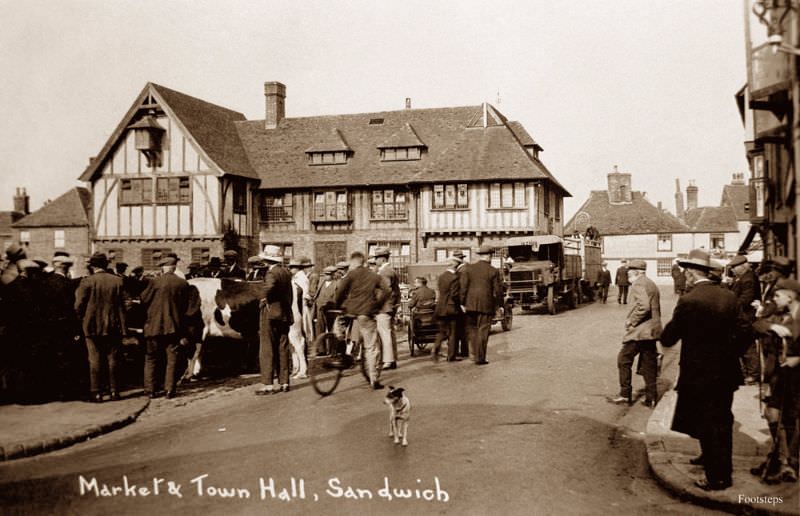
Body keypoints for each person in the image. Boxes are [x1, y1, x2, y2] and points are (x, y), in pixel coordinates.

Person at [660, 249, 744, 491]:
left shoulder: (689, 300)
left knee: (706, 422)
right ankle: (714, 463)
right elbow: (746, 330)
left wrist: (664, 336)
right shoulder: (728, 297)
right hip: (725, 372)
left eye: (686, 273)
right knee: (721, 420)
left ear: (690, 274)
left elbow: (670, 336)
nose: (685, 277)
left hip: (699, 374)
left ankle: (717, 478)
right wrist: (729, 353)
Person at [752, 278, 800, 483]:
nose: (774, 299)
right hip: (779, 376)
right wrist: (772, 328)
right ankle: (782, 459)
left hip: (797, 377)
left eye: (778, 296)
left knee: (793, 418)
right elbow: (757, 324)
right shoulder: (780, 314)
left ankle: (790, 462)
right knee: (773, 413)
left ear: (790, 297)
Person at [74, 252, 127, 402]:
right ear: (106, 265)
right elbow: (124, 305)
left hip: (91, 326)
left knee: (94, 360)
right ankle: (114, 391)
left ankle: (96, 392)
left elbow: (78, 306)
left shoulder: (87, 281)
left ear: (92, 266)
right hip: (113, 326)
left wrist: (82, 320)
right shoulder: (117, 281)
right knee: (113, 359)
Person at [334, 251, 390, 389]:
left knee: (339, 328)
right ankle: (373, 378)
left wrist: (338, 305)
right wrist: (377, 304)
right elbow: (387, 290)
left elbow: (340, 291)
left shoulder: (350, 275)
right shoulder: (374, 276)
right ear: (364, 261)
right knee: (371, 347)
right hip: (366, 312)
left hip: (350, 311)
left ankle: (342, 352)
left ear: (353, 262)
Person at [610, 260, 662, 407]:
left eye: (629, 273)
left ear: (636, 273)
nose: (628, 276)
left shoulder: (638, 284)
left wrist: (631, 321)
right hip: (651, 331)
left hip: (640, 332)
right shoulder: (650, 283)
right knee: (649, 364)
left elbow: (644, 307)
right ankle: (651, 398)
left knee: (623, 360)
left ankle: (625, 394)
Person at [140, 255, 190, 399]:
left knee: (151, 358)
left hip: (153, 326)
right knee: (172, 358)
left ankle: (150, 390)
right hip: (173, 327)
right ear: (174, 267)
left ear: (163, 267)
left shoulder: (154, 282)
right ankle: (170, 389)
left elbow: (144, 299)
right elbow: (185, 307)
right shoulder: (182, 283)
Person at [255, 245, 294, 395]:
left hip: (271, 313)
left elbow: (269, 286)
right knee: (283, 348)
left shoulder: (271, 273)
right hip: (285, 314)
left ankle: (267, 384)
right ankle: (284, 382)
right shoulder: (285, 272)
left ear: (267, 259)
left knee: (267, 348)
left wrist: (262, 297)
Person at [459, 245, 502, 365]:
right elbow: (498, 291)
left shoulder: (469, 268)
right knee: (483, 331)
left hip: (470, 305)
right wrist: (500, 305)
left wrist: (462, 303)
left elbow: (463, 287)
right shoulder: (493, 270)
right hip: (486, 305)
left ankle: (474, 354)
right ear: (489, 256)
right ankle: (480, 358)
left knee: (472, 331)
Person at [727, 255, 762, 385]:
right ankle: (748, 373)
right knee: (742, 345)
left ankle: (753, 374)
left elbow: (746, 299)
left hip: (746, 318)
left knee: (747, 346)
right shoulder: (743, 277)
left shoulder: (748, 279)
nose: (733, 270)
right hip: (742, 317)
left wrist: (730, 304)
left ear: (742, 266)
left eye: (734, 267)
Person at [433, 255, 462, 362]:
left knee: (441, 331)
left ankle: (435, 349)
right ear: (454, 265)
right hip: (451, 308)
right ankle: (451, 356)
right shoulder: (455, 278)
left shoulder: (441, 276)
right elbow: (455, 294)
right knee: (453, 333)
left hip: (441, 307)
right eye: (458, 264)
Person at [375, 247, 400, 370]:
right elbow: (396, 291)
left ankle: (388, 360)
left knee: (385, 333)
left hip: (383, 307)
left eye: (377, 258)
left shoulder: (384, 272)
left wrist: (376, 303)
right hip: (389, 306)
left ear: (383, 258)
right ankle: (392, 359)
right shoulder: (391, 270)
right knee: (390, 333)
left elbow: (385, 290)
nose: (375, 261)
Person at [287, 259, 308, 380]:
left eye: (292, 267)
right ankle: (297, 367)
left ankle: (303, 369)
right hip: (298, 308)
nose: (290, 270)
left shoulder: (301, 278)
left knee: (297, 339)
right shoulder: (296, 278)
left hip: (299, 309)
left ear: (297, 268)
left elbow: (303, 295)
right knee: (295, 340)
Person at [453, 250, 470, 358]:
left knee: (461, 328)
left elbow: (463, 288)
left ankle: (464, 351)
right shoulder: (463, 269)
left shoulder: (462, 271)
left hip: (461, 303)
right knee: (462, 328)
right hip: (462, 302)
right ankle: (464, 350)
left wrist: (462, 303)